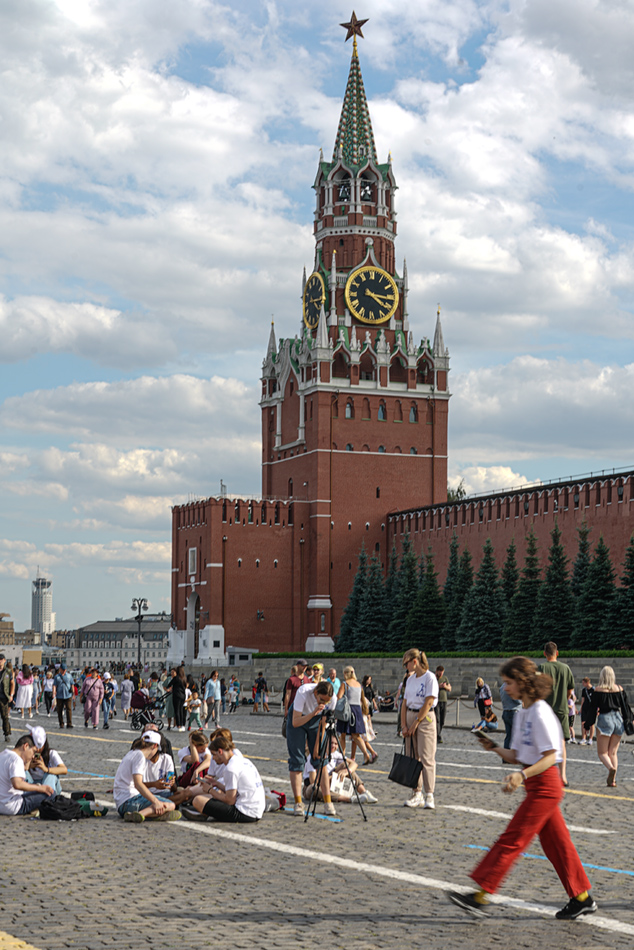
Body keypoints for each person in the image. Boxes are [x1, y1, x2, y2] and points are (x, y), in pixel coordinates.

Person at [449, 656, 597, 921]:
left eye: (509, 682)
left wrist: (521, 775)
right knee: (557, 845)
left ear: (522, 682)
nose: (505, 688)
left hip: (545, 786)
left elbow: (551, 757)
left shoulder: (541, 712)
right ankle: (582, 898)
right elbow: (517, 754)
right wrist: (494, 747)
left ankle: (480, 895)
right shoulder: (522, 713)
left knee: (513, 838)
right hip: (536, 785)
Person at [187, 729, 265, 823]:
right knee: (209, 798)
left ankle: (206, 813)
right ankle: (208, 812)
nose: (213, 759)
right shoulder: (244, 761)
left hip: (244, 812)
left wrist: (210, 790)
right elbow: (234, 791)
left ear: (220, 751)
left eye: (214, 755)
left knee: (198, 800)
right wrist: (216, 784)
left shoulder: (230, 768)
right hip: (256, 810)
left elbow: (230, 800)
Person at [286, 680, 336, 816]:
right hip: (300, 718)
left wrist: (317, 746)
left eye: (327, 701)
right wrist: (313, 713)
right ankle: (298, 802)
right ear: (315, 693)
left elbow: (324, 722)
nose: (324, 703)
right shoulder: (303, 692)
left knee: (321, 760)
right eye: (321, 700)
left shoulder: (332, 699)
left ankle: (327, 802)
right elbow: (295, 722)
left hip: (317, 721)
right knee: (297, 760)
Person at [113, 730, 181, 822]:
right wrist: (156, 802)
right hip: (130, 800)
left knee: (163, 804)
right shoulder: (140, 756)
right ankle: (141, 814)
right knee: (171, 805)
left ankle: (154, 814)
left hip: (120, 804)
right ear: (155, 746)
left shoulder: (131, 753)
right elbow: (138, 784)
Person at [401, 648, 438, 810]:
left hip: (425, 717)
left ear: (414, 662)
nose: (406, 667)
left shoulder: (430, 678)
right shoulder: (410, 679)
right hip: (410, 714)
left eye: (406, 663)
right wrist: (404, 725)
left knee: (426, 756)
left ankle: (429, 794)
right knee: (412, 757)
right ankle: (417, 793)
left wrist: (416, 722)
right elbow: (404, 703)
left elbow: (429, 701)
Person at [302, 732, 378, 805]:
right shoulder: (314, 756)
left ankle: (364, 792)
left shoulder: (335, 754)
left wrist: (347, 771)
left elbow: (354, 764)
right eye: (331, 743)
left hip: (330, 783)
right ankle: (350, 799)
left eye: (336, 744)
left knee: (346, 765)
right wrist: (333, 777)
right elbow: (313, 781)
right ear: (325, 743)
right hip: (312, 787)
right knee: (314, 787)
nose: (333, 746)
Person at [583, 665, 628, 787]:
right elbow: (626, 708)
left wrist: (587, 725)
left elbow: (592, 710)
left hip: (605, 719)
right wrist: (629, 720)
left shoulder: (598, 690)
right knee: (613, 753)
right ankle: (613, 780)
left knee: (602, 753)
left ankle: (611, 768)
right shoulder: (619, 689)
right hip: (618, 719)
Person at [538, 641, 575, 786]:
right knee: (561, 743)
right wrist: (564, 699)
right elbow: (570, 689)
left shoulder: (541, 668)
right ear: (557, 653)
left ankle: (545, 775)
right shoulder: (566, 668)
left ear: (544, 653)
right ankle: (563, 776)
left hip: (545, 711)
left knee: (544, 744)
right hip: (562, 710)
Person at [0, 734, 56, 815]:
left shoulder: (3, 754)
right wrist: (40, 788)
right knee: (51, 793)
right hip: (12, 806)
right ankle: (35, 808)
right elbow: (18, 784)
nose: (33, 756)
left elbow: (25, 769)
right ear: (26, 746)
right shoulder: (16, 759)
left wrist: (27, 761)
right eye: (33, 751)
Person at [336, 666, 370, 763]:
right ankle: (366, 754)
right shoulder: (359, 685)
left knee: (342, 735)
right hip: (357, 710)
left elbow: (339, 697)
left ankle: (342, 757)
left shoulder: (345, 683)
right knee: (356, 735)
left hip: (347, 710)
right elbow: (361, 699)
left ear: (346, 673)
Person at [26, 726, 67, 796]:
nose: (36, 749)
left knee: (50, 775)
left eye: (38, 746)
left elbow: (64, 770)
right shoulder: (27, 753)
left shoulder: (51, 753)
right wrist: (29, 766)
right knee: (23, 772)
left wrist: (46, 769)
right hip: (33, 784)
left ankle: (46, 797)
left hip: (50, 785)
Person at [500, 679, 522, 750]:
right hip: (514, 712)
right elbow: (518, 701)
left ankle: (506, 753)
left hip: (505, 712)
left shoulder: (502, 687)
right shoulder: (511, 687)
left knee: (508, 736)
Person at [52, 664, 74, 729]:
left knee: (69, 709)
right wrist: (54, 693)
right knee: (59, 710)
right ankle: (61, 723)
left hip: (68, 695)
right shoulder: (57, 677)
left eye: (65, 670)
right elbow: (54, 685)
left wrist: (73, 694)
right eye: (63, 670)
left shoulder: (69, 676)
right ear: (60, 669)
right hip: (59, 695)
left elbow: (72, 684)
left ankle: (69, 723)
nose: (64, 671)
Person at [167, 666, 188, 733]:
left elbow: (169, 684)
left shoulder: (176, 678)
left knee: (177, 710)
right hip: (183, 696)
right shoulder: (184, 678)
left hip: (177, 695)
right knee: (181, 710)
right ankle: (181, 725)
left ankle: (178, 725)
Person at [0, 654, 15, 742]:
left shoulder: (8, 671)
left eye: (1, 659)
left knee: (5, 716)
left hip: (4, 697)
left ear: (4, 660)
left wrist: (11, 695)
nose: (0, 661)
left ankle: (7, 734)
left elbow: (12, 683)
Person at [435, 666, 451, 744]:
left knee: (442, 720)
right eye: (440, 672)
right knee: (437, 719)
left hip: (444, 700)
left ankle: (437, 733)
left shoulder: (445, 678)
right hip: (436, 701)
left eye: (442, 672)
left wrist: (445, 686)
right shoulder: (434, 678)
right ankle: (438, 736)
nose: (441, 674)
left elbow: (450, 688)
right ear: (437, 671)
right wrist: (439, 686)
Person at [579, 677, 595, 746]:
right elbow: (583, 700)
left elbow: (596, 700)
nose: (583, 684)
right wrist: (581, 708)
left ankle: (590, 739)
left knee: (591, 724)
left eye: (583, 683)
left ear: (587, 682)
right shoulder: (584, 690)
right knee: (583, 723)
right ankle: (583, 738)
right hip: (585, 708)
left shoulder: (594, 690)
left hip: (591, 709)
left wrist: (597, 709)